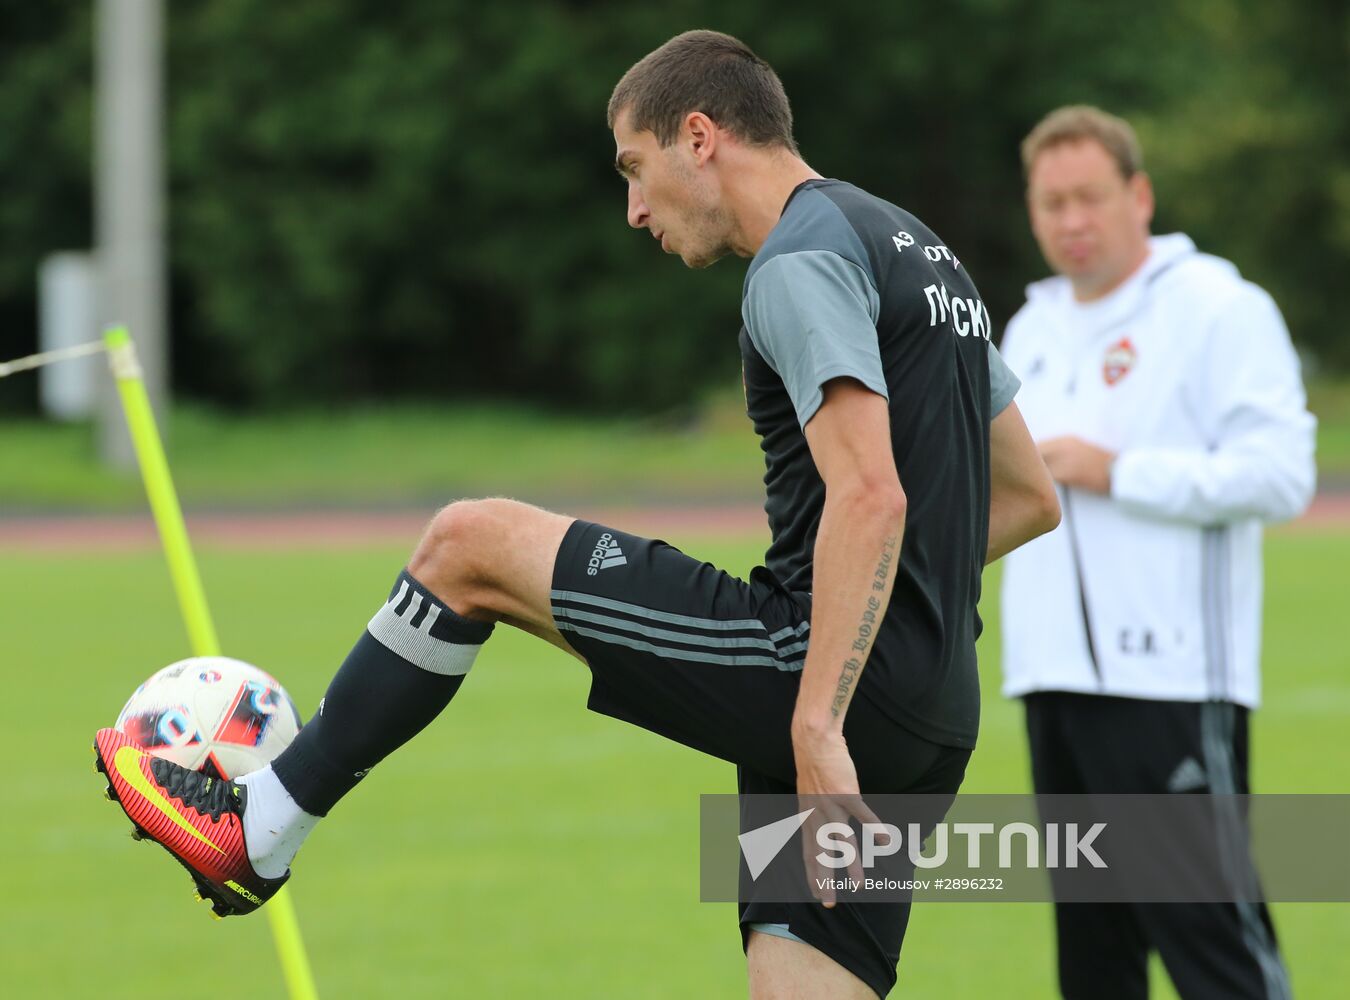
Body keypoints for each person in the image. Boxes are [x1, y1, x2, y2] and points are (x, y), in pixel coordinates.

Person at [93, 31, 1060, 998]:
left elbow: (870, 493)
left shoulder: (797, 262)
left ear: (699, 137)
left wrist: (818, 716)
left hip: (820, 686)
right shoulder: (918, 248)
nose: (635, 209)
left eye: (636, 171)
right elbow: (1025, 496)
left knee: (469, 545)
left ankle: (258, 828)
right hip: (935, 711)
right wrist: (877, 621)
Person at [998, 105, 1315, 1000]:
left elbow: (1282, 476)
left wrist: (1117, 471)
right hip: (1052, 684)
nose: (1071, 220)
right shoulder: (1027, 330)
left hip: (1171, 687)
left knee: (1214, 948)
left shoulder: (1220, 308)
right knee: (1094, 966)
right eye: (1051, 202)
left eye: (1090, 197)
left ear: (1139, 195)